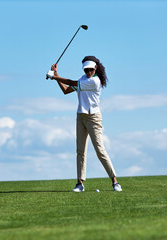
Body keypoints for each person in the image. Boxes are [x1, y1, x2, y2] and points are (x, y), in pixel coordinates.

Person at [46, 56, 122, 192]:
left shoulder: (95, 81)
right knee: (80, 151)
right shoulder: (83, 79)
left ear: (96, 68)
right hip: (80, 116)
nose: (88, 72)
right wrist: (56, 75)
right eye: (86, 70)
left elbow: (71, 82)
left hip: (93, 118)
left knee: (100, 150)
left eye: (91, 70)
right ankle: (80, 183)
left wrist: (54, 77)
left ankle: (115, 181)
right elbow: (66, 90)